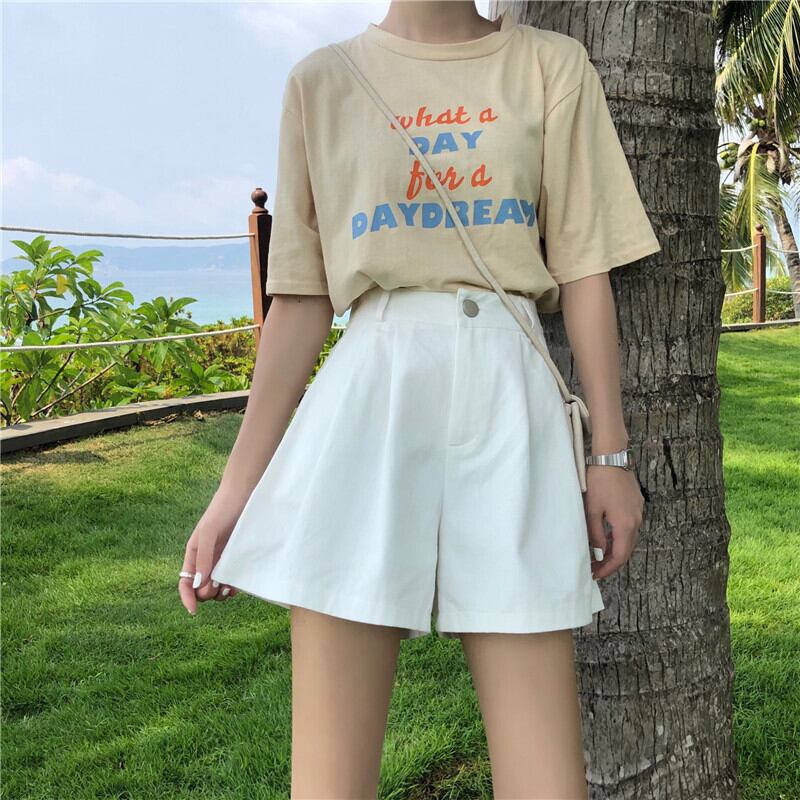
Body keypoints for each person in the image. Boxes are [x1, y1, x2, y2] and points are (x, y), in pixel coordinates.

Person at [179, 3, 660, 798]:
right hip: (369, 397)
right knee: (329, 781)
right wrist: (235, 494)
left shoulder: (549, 65)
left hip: (510, 400)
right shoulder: (321, 81)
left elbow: (584, 268)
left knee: (547, 780)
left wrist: (609, 454)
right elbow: (300, 298)